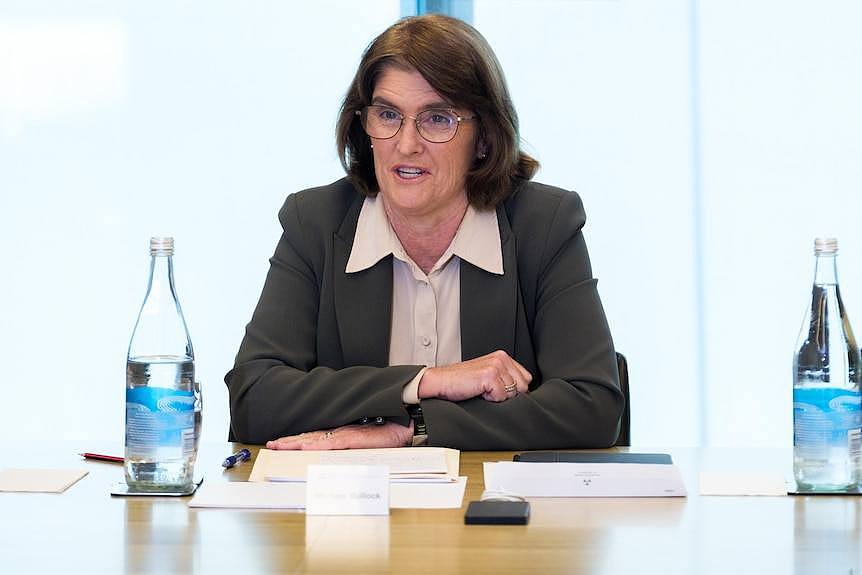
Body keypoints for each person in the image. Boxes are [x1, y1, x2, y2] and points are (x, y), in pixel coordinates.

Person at [225, 14, 623, 451]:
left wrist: (413, 425)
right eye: (388, 114)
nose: (406, 143)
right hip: (346, 513)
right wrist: (426, 382)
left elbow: (592, 406)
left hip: (496, 509)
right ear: (365, 127)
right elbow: (254, 397)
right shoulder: (315, 223)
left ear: (484, 137)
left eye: (436, 119)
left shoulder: (544, 224)